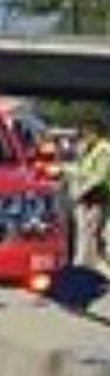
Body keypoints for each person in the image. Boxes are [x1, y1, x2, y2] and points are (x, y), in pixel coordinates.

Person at [66, 115, 110, 273]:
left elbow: (98, 177)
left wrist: (78, 192)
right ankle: (85, 265)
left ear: (95, 132)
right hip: (88, 197)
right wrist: (68, 168)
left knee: (89, 234)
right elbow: (83, 170)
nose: (83, 136)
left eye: (86, 133)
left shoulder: (104, 149)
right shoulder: (92, 148)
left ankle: (84, 266)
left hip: (96, 197)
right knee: (85, 233)